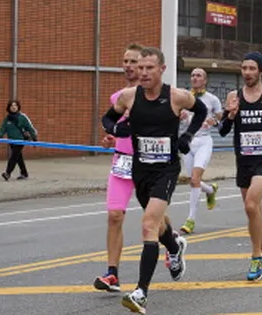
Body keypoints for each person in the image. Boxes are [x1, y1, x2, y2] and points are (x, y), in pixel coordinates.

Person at [101, 47, 206, 313]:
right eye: (142, 68)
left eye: (150, 68)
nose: (144, 72)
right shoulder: (129, 97)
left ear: (162, 69)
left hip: (166, 171)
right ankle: (174, 246)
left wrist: (187, 136)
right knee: (156, 222)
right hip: (140, 170)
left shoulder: (177, 96)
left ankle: (140, 293)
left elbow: (202, 111)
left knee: (148, 224)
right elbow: (107, 118)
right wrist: (116, 128)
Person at [218, 52, 262, 282]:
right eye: (244, 68)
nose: (247, 73)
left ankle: (256, 256)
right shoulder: (234, 96)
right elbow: (222, 131)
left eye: (251, 68)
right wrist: (230, 114)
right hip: (244, 160)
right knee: (254, 211)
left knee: (251, 205)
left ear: (260, 71)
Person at [93, 43, 141, 293]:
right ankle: (112, 273)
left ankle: (173, 242)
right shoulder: (118, 98)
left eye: (133, 61)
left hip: (148, 164)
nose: (128, 66)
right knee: (114, 216)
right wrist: (112, 138)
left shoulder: (155, 95)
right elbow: (114, 127)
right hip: (122, 162)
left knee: (154, 219)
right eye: (125, 61)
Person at [179, 68, 223, 235]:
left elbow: (220, 117)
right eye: (192, 75)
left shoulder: (212, 99)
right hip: (188, 142)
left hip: (204, 141)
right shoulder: (183, 97)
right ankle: (211, 190)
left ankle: (190, 220)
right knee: (193, 181)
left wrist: (213, 121)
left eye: (199, 76)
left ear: (205, 81)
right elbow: (174, 113)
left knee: (195, 179)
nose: (195, 78)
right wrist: (180, 115)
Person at [0, 100, 38, 181]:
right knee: (18, 157)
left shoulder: (22, 117)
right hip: (11, 141)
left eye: (15, 105)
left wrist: (34, 138)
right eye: (12, 105)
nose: (13, 107)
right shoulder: (7, 118)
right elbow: (3, 128)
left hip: (20, 140)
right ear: (9, 107)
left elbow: (30, 128)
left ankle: (7, 173)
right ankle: (24, 173)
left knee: (13, 156)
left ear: (18, 107)